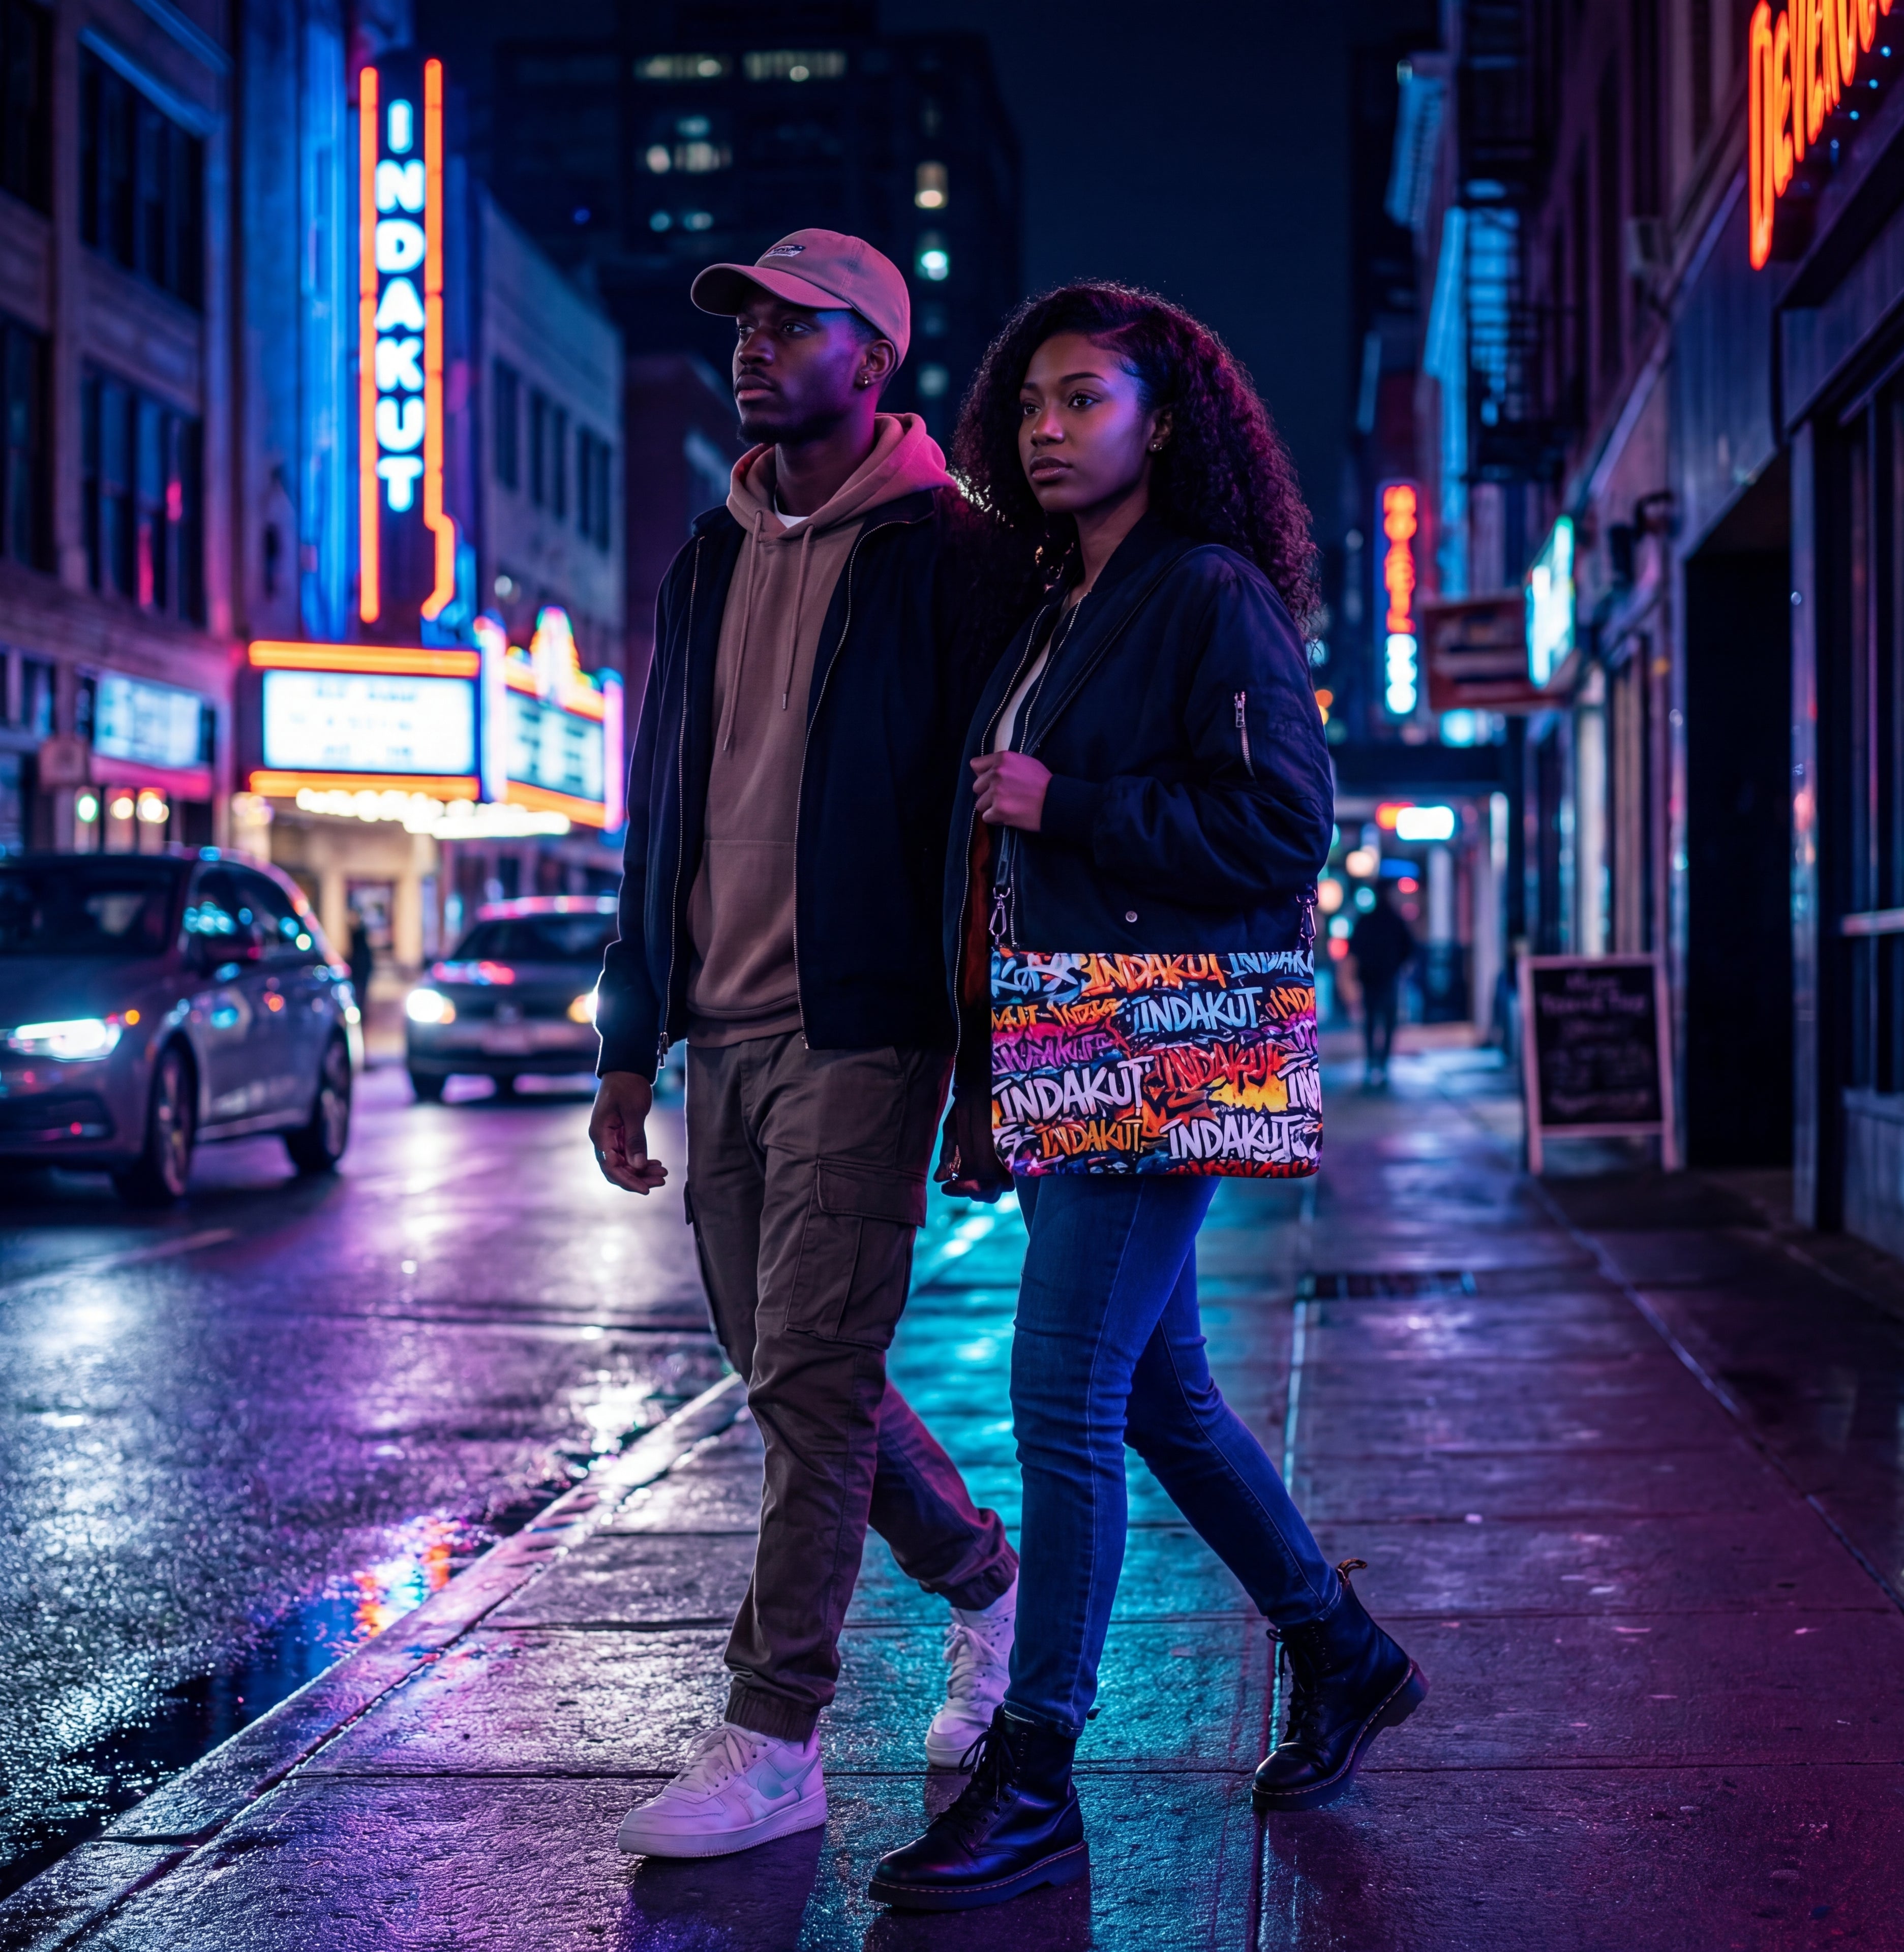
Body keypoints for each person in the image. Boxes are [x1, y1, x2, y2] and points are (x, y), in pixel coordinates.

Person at [870, 284, 1427, 1912]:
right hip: (1067, 1041)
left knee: (1059, 1398)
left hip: (1152, 1043)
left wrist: (1070, 802)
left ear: (1162, 418)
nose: (1047, 428)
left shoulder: (1204, 589)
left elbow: (1278, 826)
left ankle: (1034, 1769)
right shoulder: (1059, 601)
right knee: (1158, 1394)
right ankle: (1339, 1649)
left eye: (1084, 398)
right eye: (1029, 403)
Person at [588, 230, 1021, 1862]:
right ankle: (988, 1579)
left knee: (816, 1376)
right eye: (744, 326)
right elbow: (658, 813)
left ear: (875, 358)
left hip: (869, 1026)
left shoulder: (956, 558)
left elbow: (982, 841)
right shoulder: (706, 554)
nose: (755, 350)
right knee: (785, 1374)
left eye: (795, 326)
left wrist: (980, 1061)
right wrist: (631, 1037)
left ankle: (774, 1734)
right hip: (719, 1028)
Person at [1350, 882, 1416, 1085]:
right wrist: (1398, 965)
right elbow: (1409, 947)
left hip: (1372, 978)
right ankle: (1383, 1064)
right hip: (1388, 978)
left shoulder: (1367, 920)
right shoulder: (1395, 920)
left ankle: (1373, 1063)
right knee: (1387, 1022)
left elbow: (1354, 948)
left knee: (1371, 1022)